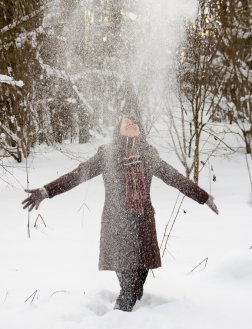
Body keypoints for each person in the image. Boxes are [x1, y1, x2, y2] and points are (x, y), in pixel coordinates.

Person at [22, 114, 218, 312]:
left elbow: (175, 178)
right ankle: (118, 321)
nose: (132, 123)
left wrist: (203, 196)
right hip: (118, 225)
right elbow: (77, 175)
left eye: (135, 122)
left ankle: (133, 320)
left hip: (143, 225)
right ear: (119, 130)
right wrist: (47, 191)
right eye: (127, 122)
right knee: (129, 287)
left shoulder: (148, 155)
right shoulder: (107, 154)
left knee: (137, 283)